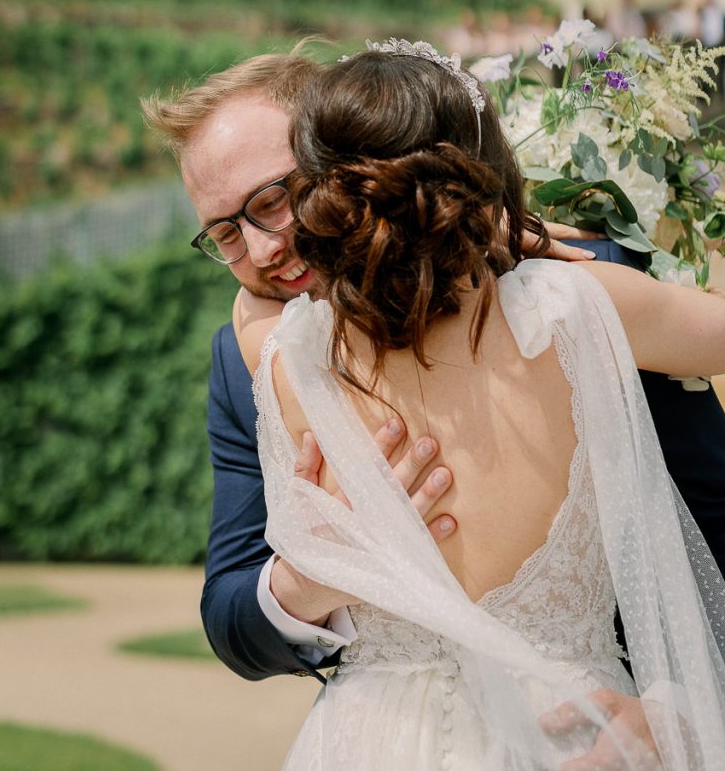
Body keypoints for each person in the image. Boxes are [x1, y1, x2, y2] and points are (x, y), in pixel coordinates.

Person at [231, 40, 725, 769]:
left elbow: (248, 300)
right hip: (573, 734)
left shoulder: (283, 357)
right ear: (483, 178)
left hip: (366, 741)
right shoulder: (579, 309)